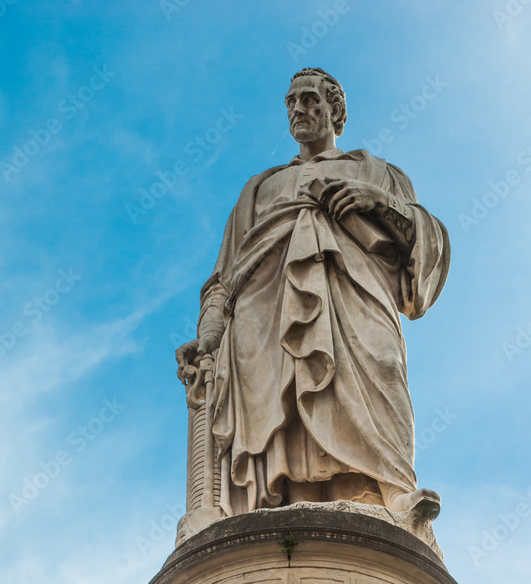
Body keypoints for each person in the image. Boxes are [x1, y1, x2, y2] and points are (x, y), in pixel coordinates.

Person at [176, 68, 449, 518]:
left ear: (335, 110)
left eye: (309, 100)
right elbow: (224, 277)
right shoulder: (259, 187)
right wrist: (208, 335)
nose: (297, 110)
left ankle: (392, 489)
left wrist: (378, 202)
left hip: (355, 292)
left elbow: (428, 243)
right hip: (264, 313)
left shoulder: (376, 171)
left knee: (380, 365)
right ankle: (276, 503)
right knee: (279, 401)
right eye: (290, 103)